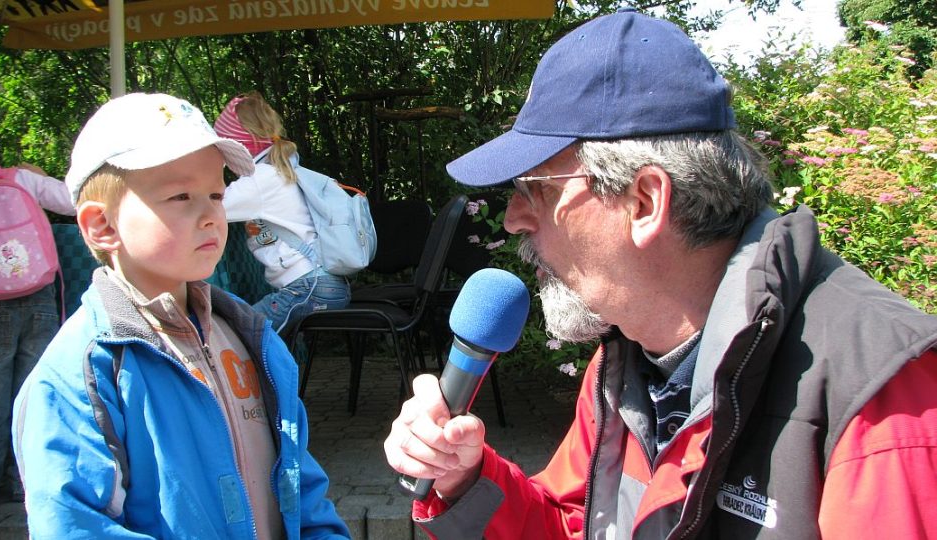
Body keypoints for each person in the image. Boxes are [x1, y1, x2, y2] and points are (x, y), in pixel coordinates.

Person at [383, 9, 937, 539]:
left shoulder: (882, 396)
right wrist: (464, 480)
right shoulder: (623, 361)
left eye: (537, 188)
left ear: (645, 201)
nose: (512, 216)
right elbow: (578, 526)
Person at [12, 93, 350, 539]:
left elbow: (300, 488)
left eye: (215, 192)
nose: (211, 214)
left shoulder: (253, 338)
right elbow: (73, 525)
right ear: (102, 226)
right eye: (180, 196)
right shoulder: (81, 375)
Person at [0, 110, 74, 507]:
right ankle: (26, 482)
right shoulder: (21, 179)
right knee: (34, 392)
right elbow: (72, 200)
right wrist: (35, 175)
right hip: (38, 294)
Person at [214, 92, 351, 332]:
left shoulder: (259, 180)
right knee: (267, 343)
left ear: (238, 145)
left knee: (241, 333)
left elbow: (208, 208)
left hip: (308, 287)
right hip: (328, 285)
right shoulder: (285, 169)